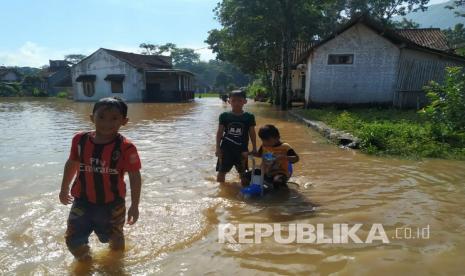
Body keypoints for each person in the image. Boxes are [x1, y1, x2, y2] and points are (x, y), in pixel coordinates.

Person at [59, 97, 142, 261]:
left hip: (112, 204)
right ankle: (86, 262)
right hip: (82, 201)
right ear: (92, 118)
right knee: (73, 240)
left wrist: (135, 205)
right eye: (101, 117)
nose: (106, 123)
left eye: (114, 119)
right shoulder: (80, 140)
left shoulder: (126, 147)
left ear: (124, 121)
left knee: (114, 239)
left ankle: (115, 265)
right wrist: (64, 188)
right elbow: (72, 163)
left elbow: (135, 176)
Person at [216, 90, 257, 185]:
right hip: (226, 149)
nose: (236, 103)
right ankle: (221, 192)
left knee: (243, 174)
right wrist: (218, 148)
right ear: (229, 101)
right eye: (233, 100)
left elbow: (252, 133)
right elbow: (219, 133)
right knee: (221, 172)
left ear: (245, 101)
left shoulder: (249, 117)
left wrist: (254, 148)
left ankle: (244, 194)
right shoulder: (224, 116)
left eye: (239, 100)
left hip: (242, 150)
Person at [256, 124, 299, 189]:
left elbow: (296, 158)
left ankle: (279, 195)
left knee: (277, 180)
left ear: (277, 137)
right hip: (266, 172)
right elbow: (259, 155)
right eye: (263, 140)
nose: (265, 143)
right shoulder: (264, 146)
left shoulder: (285, 147)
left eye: (268, 141)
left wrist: (284, 157)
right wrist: (249, 153)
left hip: (280, 173)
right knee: (247, 176)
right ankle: (255, 188)